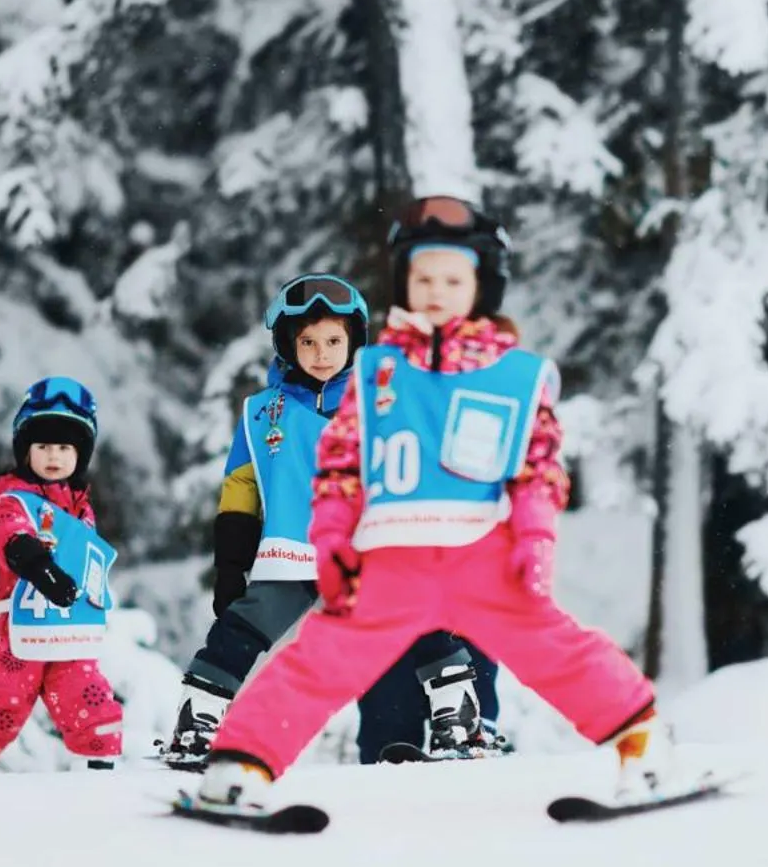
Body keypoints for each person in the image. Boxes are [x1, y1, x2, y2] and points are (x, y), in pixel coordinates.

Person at [195, 198, 676, 807]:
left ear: (481, 286)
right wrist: (334, 541)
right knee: (321, 659)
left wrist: (535, 537)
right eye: (423, 279)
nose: (436, 291)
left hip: (483, 554)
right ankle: (241, 767)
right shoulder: (374, 375)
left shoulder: (513, 376)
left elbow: (539, 470)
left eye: (453, 279)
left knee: (556, 650)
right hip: (391, 561)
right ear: (404, 283)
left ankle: (644, 745)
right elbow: (340, 469)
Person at [160, 273, 502, 767]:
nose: (323, 353)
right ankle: (198, 725)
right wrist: (231, 566)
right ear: (288, 345)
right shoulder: (262, 413)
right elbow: (241, 490)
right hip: (291, 552)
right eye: (309, 342)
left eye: (334, 341)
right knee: (239, 631)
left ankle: (459, 720)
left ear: (353, 342)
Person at [0, 377, 124, 773]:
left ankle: (102, 766)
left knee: (85, 693)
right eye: (42, 446)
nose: (53, 455)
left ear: (81, 454)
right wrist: (36, 564)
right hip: (11, 627)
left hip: (66, 626)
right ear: (26, 451)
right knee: (3, 698)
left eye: (64, 447)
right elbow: (9, 534)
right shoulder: (11, 499)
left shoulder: (81, 510)